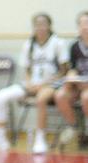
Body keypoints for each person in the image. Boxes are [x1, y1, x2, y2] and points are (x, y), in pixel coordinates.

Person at [0, 13, 68, 153]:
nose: (40, 27)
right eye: (37, 24)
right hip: (32, 84)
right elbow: (27, 70)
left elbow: (64, 71)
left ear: (49, 26)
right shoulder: (29, 44)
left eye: (43, 24)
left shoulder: (58, 43)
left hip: (51, 84)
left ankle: (40, 139)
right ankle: (0, 138)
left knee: (41, 99)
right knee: (1, 96)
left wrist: (44, 84)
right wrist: (28, 83)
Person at [53, 11, 88, 150]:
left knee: (86, 97)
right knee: (60, 95)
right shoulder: (74, 46)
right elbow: (72, 68)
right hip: (78, 85)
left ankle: (86, 132)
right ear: (78, 27)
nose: (85, 27)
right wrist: (71, 77)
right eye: (82, 24)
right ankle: (73, 127)